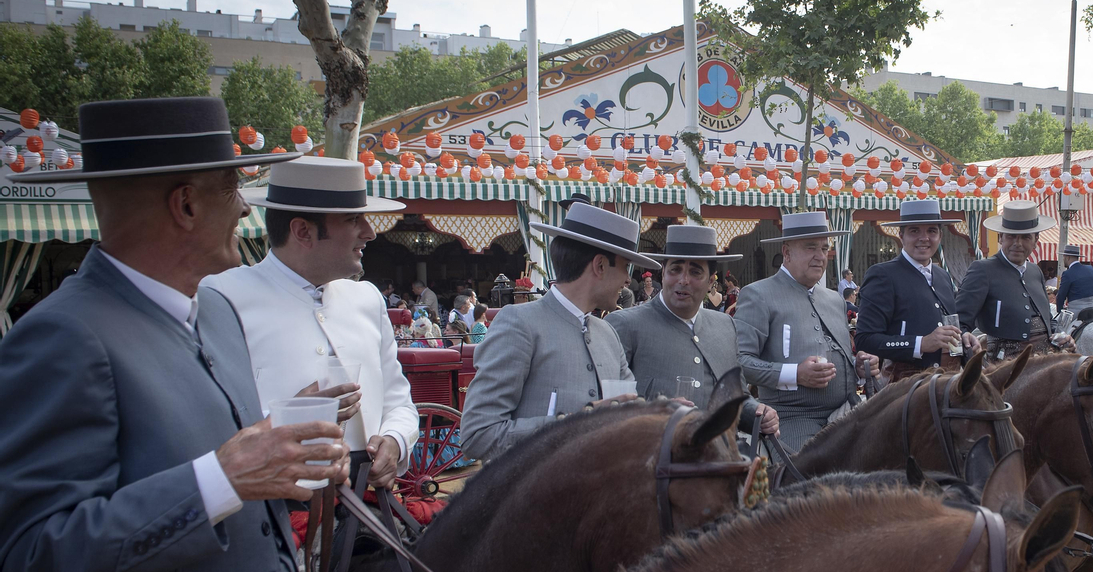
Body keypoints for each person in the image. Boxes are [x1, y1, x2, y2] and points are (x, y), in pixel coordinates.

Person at [0, 97, 347, 572]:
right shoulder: (61, 334)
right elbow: (32, 562)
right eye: (234, 188)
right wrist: (222, 476)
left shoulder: (213, 312)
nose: (248, 206)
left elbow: (219, 467)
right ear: (187, 203)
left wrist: (288, 452)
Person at [204, 156, 418, 493]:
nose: (370, 232)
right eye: (353, 220)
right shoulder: (222, 298)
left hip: (367, 510)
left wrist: (395, 442)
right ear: (302, 231)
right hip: (274, 510)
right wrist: (292, 419)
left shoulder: (367, 298)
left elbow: (398, 401)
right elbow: (211, 418)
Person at [459, 203, 660, 460]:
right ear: (599, 265)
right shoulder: (520, 323)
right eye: (624, 267)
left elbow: (626, 412)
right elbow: (478, 436)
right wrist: (577, 422)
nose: (626, 280)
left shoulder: (608, 333)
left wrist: (661, 413)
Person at [608, 223, 779, 435]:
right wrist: (657, 412)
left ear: (710, 281)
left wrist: (759, 415)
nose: (683, 280)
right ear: (663, 274)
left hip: (722, 458)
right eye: (675, 270)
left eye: (695, 272)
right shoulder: (625, 325)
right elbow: (607, 410)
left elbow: (737, 397)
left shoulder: (725, 326)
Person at [734, 211, 878, 447]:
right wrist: (795, 374)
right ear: (787, 252)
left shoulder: (834, 300)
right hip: (790, 421)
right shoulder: (759, 294)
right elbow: (740, 361)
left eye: (823, 248)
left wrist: (859, 366)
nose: (820, 256)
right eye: (811, 248)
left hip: (848, 416)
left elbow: (839, 355)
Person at [854, 198, 977, 382]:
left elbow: (950, 325)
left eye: (931, 231)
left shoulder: (942, 276)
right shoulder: (883, 275)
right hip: (907, 385)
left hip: (950, 381)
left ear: (940, 236)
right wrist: (921, 343)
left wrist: (964, 337)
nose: (924, 238)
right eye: (914, 231)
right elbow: (865, 339)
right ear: (901, 235)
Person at [957, 200, 1074, 359]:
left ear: (1035, 240)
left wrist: (1061, 335)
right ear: (1000, 238)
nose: (1017, 243)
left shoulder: (1035, 271)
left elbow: (1047, 318)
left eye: (1026, 237)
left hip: (1045, 360)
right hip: (1004, 366)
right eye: (1011, 236)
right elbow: (959, 322)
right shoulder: (983, 270)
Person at [1055, 244, 1093, 316]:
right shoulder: (1091, 269)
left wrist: (1059, 311)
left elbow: (1061, 296)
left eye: (1063, 257)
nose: (1063, 259)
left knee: (1060, 327)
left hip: (1076, 311)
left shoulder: (1067, 273)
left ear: (1067, 257)